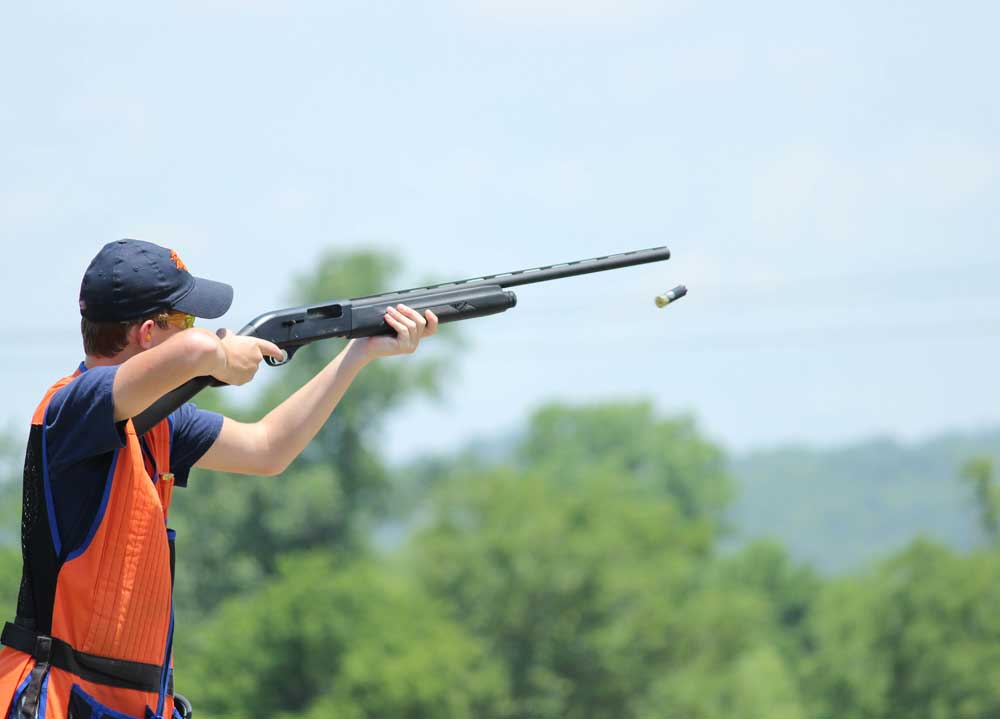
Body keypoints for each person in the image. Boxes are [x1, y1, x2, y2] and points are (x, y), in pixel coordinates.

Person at [0, 239, 437, 719]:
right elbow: (200, 350)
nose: (198, 329)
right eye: (184, 319)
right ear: (147, 333)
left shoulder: (158, 423)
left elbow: (269, 448)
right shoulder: (72, 406)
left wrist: (358, 354)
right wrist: (222, 358)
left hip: (122, 704)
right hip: (58, 702)